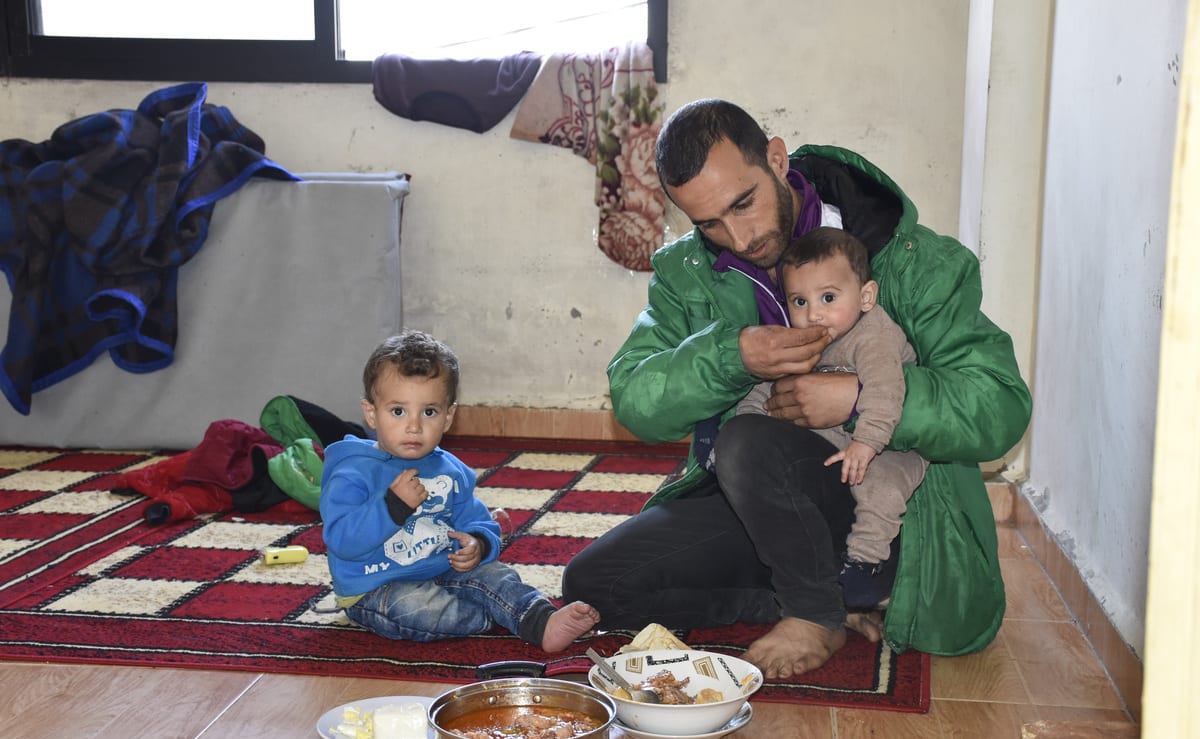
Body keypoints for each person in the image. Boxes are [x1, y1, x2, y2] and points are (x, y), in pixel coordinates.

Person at [561, 98, 1031, 679]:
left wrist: (857, 400)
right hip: (760, 503)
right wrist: (732, 356)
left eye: (744, 203)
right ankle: (833, 601)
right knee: (595, 585)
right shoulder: (688, 271)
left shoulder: (911, 260)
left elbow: (999, 405)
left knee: (746, 441)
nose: (738, 235)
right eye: (709, 222)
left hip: (889, 509)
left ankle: (820, 606)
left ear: (777, 160)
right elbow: (636, 401)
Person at [320, 330, 600, 652]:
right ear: (371, 413)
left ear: (449, 416)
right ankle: (496, 617)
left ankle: (540, 620)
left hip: (443, 568)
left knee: (497, 575)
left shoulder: (451, 471)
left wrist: (478, 544)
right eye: (398, 411)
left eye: (429, 412)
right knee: (416, 609)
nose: (414, 426)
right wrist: (392, 507)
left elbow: (479, 521)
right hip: (377, 587)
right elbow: (342, 541)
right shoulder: (352, 471)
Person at [735, 227, 928, 609]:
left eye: (827, 297)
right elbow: (772, 388)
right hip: (839, 440)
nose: (813, 314)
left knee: (881, 490)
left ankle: (867, 567)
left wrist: (867, 443)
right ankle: (814, 566)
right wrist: (745, 422)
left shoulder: (873, 336)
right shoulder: (809, 337)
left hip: (890, 444)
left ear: (866, 296)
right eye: (799, 301)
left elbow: (887, 390)